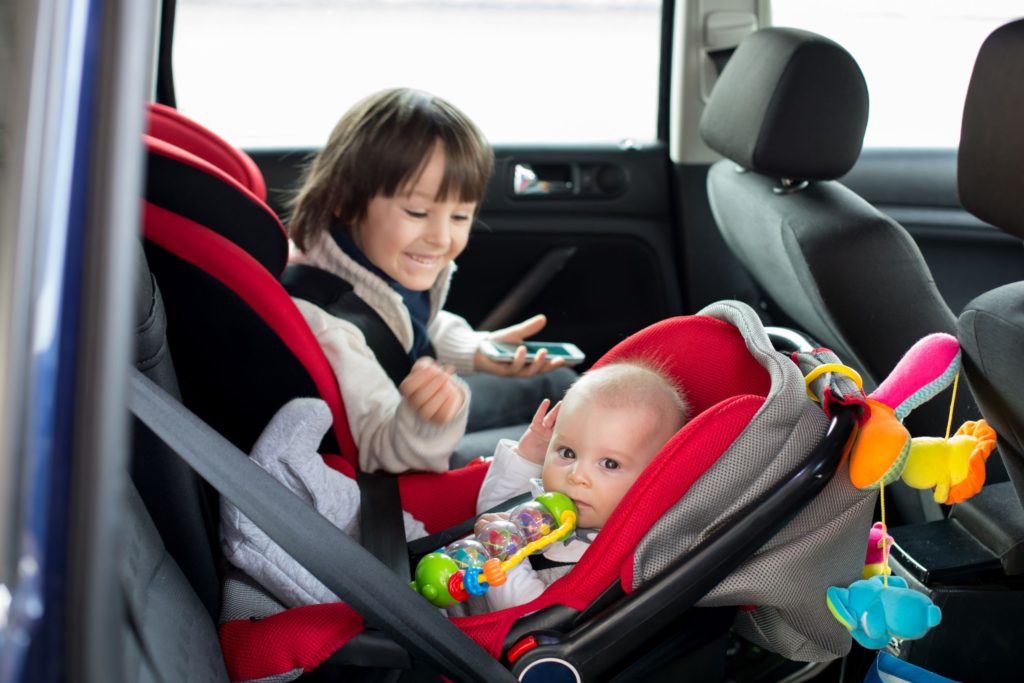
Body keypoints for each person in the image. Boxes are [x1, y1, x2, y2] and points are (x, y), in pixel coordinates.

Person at [287, 88, 573, 475]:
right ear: (344, 199)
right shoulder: (330, 324)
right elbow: (379, 450)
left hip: (419, 412)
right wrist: (427, 422)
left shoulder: (369, 263)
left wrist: (475, 350)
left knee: (559, 385)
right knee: (574, 445)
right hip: (411, 458)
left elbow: (409, 321)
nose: (441, 238)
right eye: (417, 212)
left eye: (460, 217)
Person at [472, 361, 690, 612]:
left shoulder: (609, 561)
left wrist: (503, 555)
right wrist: (527, 456)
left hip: (456, 634)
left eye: (609, 463)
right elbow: (490, 512)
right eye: (567, 452)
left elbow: (532, 615)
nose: (577, 475)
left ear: (653, 480)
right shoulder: (549, 505)